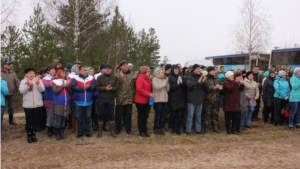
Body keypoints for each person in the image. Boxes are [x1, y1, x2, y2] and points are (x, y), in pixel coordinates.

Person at [19, 67, 45, 143]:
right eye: (30, 73)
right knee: (29, 121)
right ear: (26, 74)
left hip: (37, 104)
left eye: (33, 73)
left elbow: (42, 89)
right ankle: (29, 135)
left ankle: (34, 134)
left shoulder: (38, 80)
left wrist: (38, 83)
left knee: (35, 121)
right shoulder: (23, 81)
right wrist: (28, 85)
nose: (32, 74)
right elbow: (22, 91)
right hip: (28, 105)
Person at [72, 65, 96, 138]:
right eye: (84, 70)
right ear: (79, 71)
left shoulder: (91, 78)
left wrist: (89, 87)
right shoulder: (75, 78)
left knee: (88, 117)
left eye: (86, 70)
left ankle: (87, 132)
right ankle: (80, 132)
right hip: (79, 101)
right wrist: (83, 88)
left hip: (89, 101)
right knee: (79, 118)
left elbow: (94, 87)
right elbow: (74, 87)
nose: (86, 71)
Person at [96, 64, 119, 138]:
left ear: (111, 70)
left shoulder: (115, 77)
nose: (108, 70)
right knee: (100, 115)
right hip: (101, 99)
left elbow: (117, 87)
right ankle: (99, 132)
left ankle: (112, 131)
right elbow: (97, 87)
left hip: (111, 99)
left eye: (109, 69)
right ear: (104, 69)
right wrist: (105, 88)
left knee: (111, 115)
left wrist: (111, 88)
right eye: (106, 69)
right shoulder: (99, 77)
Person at [115, 61, 135, 135]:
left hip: (129, 98)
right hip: (120, 98)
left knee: (128, 115)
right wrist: (121, 77)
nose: (126, 66)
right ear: (120, 67)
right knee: (119, 114)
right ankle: (118, 128)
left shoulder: (132, 74)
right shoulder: (117, 75)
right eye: (124, 65)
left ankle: (128, 129)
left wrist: (135, 79)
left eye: (126, 65)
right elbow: (117, 85)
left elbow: (134, 84)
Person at [185, 64, 206, 135]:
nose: (199, 70)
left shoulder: (201, 77)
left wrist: (203, 82)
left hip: (200, 99)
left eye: (199, 69)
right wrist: (197, 82)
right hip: (191, 99)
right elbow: (189, 86)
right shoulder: (189, 77)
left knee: (198, 115)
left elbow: (205, 88)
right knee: (190, 115)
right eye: (197, 69)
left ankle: (198, 129)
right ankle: (188, 130)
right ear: (193, 70)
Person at [52, 69, 71, 140]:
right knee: (58, 119)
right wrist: (63, 86)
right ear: (58, 74)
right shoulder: (54, 82)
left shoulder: (66, 81)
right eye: (62, 73)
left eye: (64, 73)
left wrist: (68, 85)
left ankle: (62, 133)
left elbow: (70, 92)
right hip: (58, 103)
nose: (64, 74)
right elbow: (55, 91)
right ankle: (57, 134)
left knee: (64, 119)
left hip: (66, 103)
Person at [203, 66, 223, 133]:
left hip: (216, 100)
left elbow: (222, 86)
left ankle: (215, 127)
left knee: (215, 114)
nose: (213, 72)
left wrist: (221, 87)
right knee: (207, 114)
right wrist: (214, 87)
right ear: (208, 71)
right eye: (212, 70)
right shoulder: (205, 79)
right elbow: (205, 89)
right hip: (208, 100)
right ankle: (206, 128)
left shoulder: (217, 79)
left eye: (214, 70)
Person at [223, 71, 244, 135]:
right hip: (228, 103)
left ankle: (234, 130)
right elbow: (230, 88)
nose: (232, 77)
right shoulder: (225, 82)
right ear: (227, 76)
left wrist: (242, 84)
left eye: (233, 76)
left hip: (235, 103)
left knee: (236, 118)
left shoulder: (235, 82)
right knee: (228, 118)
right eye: (231, 76)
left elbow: (240, 89)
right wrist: (237, 82)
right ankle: (228, 130)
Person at [134, 66, 153, 138]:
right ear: (144, 72)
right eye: (148, 71)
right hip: (140, 101)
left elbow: (149, 88)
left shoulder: (148, 79)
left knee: (146, 116)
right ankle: (141, 131)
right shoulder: (140, 79)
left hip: (147, 101)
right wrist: (149, 94)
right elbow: (139, 89)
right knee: (141, 116)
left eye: (149, 71)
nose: (149, 73)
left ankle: (145, 131)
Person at [168, 65, 186, 135]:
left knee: (179, 115)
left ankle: (178, 129)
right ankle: (173, 128)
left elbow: (185, 87)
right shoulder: (170, 77)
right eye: (175, 69)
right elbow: (170, 88)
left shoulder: (181, 77)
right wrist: (177, 84)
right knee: (173, 115)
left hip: (180, 99)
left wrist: (182, 83)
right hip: (173, 99)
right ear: (172, 70)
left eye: (177, 69)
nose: (176, 71)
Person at [1, 59, 20, 125]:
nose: (9, 65)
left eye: (10, 64)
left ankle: (11, 120)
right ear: (4, 65)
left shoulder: (13, 73)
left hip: (11, 93)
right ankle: (1, 121)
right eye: (8, 64)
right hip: (2, 94)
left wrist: (20, 88)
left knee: (11, 107)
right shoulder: (0, 73)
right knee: (1, 107)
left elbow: (17, 82)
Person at [152, 68, 170, 135]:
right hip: (158, 100)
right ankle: (156, 128)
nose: (163, 73)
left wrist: (167, 83)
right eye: (161, 72)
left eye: (163, 72)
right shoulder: (155, 79)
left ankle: (161, 127)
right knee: (158, 115)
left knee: (163, 115)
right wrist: (165, 83)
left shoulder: (164, 80)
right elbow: (157, 87)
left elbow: (167, 90)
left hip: (164, 100)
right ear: (157, 73)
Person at [42, 65, 56, 137]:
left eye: (54, 69)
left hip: (56, 98)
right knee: (50, 115)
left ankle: (54, 128)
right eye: (51, 69)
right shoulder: (45, 78)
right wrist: (52, 78)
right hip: (49, 98)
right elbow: (47, 86)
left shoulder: (57, 77)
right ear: (48, 71)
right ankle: (49, 129)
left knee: (55, 115)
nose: (53, 70)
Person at [67, 64, 79, 133]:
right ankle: (73, 127)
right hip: (73, 96)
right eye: (77, 68)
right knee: (73, 113)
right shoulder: (70, 76)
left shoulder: (80, 76)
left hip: (80, 96)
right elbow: (70, 86)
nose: (78, 69)